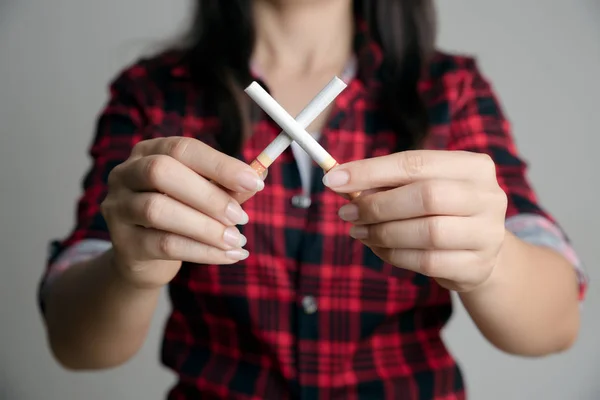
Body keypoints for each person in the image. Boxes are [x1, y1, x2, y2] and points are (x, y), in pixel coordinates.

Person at [38, 1, 588, 399]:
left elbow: (555, 325)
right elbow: (76, 345)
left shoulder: (449, 88)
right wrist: (131, 267)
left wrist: (491, 261)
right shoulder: (155, 92)